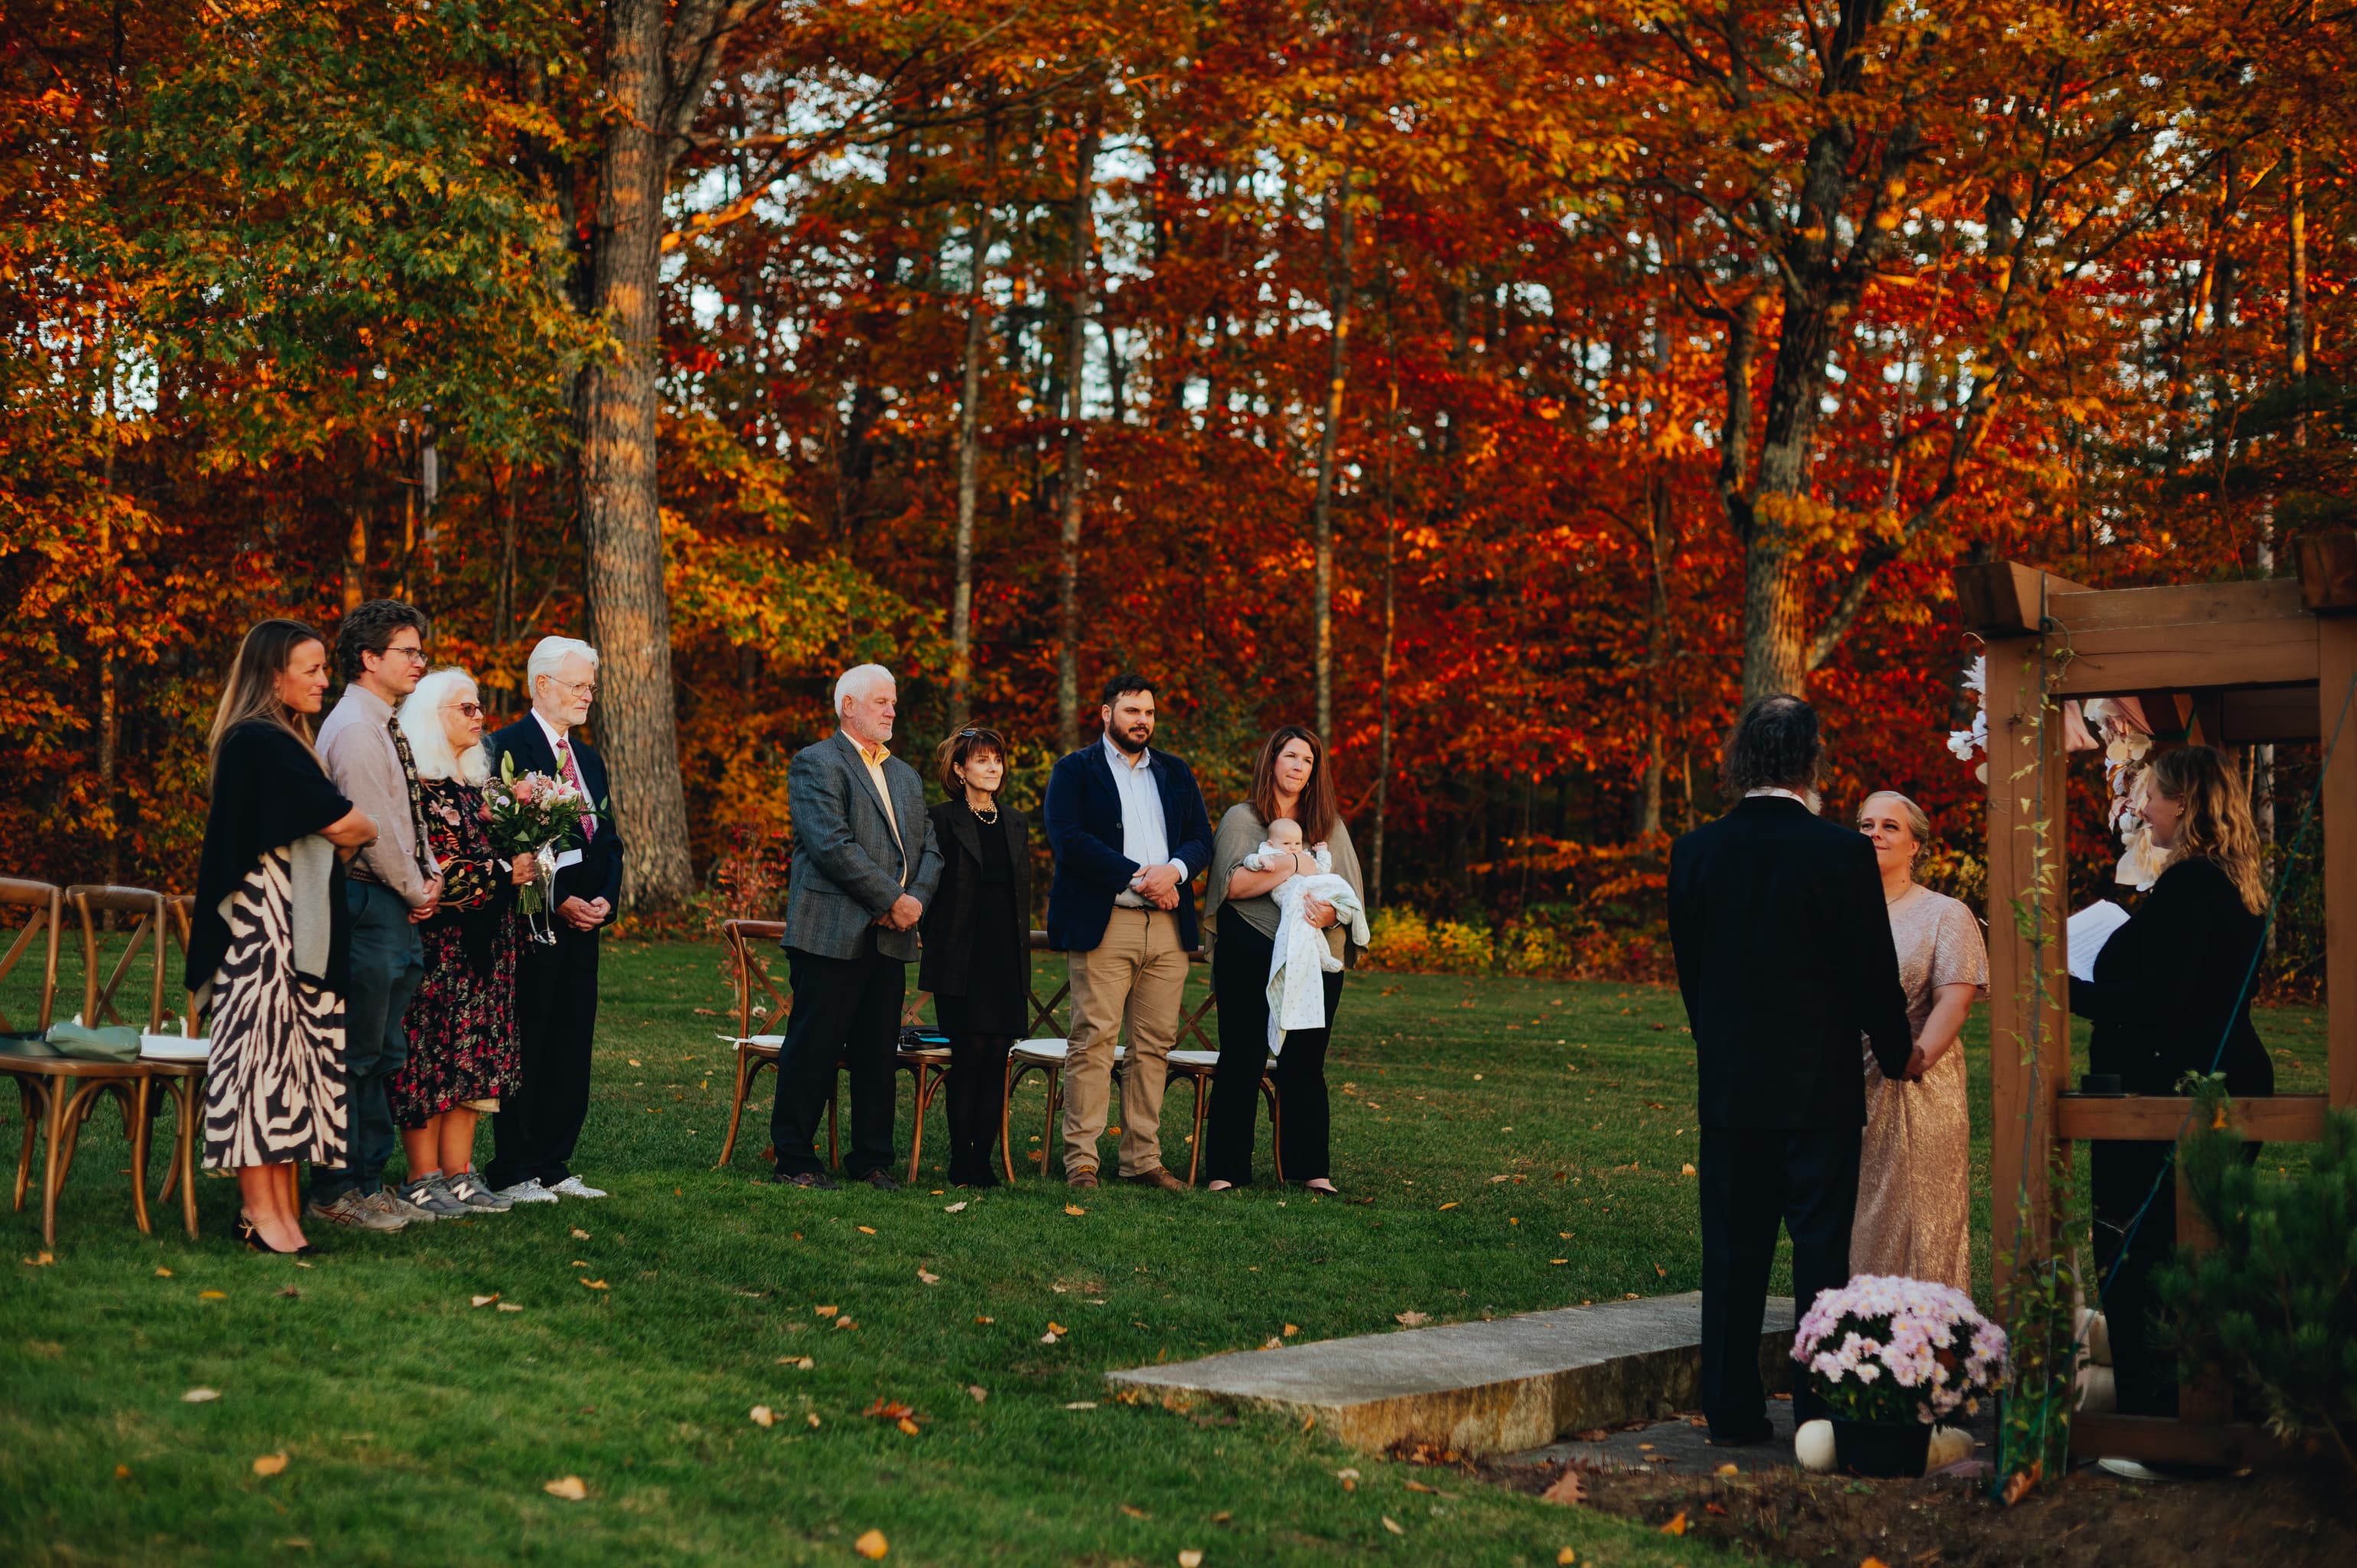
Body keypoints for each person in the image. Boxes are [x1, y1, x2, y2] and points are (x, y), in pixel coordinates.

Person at [1667, 695, 1919, 1445]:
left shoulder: (1696, 850)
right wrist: (1896, 1045)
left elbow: (1694, 972)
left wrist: (1718, 1043)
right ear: (1812, 761)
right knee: (1820, 1255)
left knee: (1733, 1253)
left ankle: (1732, 1410)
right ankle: (1819, 1412)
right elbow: (1871, 968)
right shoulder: (1841, 852)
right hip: (1818, 1090)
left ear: (1741, 758)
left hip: (1733, 1085)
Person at [2070, 745, 2272, 1477]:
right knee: (2194, 1254)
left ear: (2183, 802)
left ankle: (2166, 1436)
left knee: (2142, 1253)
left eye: (2149, 794)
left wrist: (2061, 986)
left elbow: (2163, 1003)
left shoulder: (2190, 885)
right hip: (2214, 1078)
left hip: (2173, 1092)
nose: (2139, 806)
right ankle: (2216, 1420)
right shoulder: (2228, 882)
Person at [185, 619, 378, 1253]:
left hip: (295, 924)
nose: (326, 679)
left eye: (326, 667)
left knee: (291, 1067)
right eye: (313, 668)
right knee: (260, 1068)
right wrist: (348, 824)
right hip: (266, 928)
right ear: (274, 676)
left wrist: (338, 826)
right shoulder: (258, 742)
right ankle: (258, 1212)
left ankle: (279, 1213)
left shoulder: (284, 743)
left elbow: (331, 824)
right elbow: (351, 825)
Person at [769, 664, 942, 1191]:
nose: (893, 710)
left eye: (893, 702)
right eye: (882, 701)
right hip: (830, 929)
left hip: (889, 936)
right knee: (814, 1047)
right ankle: (795, 1159)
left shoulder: (906, 776)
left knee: (877, 1053)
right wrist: (892, 899)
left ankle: (871, 1161)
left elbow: (930, 850)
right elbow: (831, 845)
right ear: (848, 706)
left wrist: (912, 903)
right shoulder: (816, 763)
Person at [1042, 673, 1214, 1191]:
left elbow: (1200, 838)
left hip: (1167, 929)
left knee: (1154, 1045)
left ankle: (1142, 1158)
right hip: (1107, 922)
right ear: (1105, 713)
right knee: (1093, 1039)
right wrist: (1143, 876)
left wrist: (1177, 873)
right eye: (1132, 711)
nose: (1142, 721)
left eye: (1149, 713)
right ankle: (1082, 1161)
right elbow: (1069, 840)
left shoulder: (1175, 772)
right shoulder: (1075, 770)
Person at [312, 599, 442, 1232]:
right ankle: (339, 1190)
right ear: (369, 658)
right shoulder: (357, 728)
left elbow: (402, 817)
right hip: (367, 902)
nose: (421, 661)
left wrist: (430, 873)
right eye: (408, 652)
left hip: (391, 899)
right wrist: (417, 888)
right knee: (357, 1052)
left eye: (421, 651)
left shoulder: (383, 723)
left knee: (382, 1050)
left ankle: (368, 1182)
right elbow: (370, 831)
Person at [387, 668, 535, 1216]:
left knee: (476, 1060)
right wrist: (503, 871)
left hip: (487, 948)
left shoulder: (476, 787)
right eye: (466, 709)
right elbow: (434, 870)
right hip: (437, 949)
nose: (480, 718)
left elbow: (492, 857)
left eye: (479, 709)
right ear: (432, 717)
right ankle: (421, 1175)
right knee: (430, 1060)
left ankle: (460, 1173)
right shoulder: (418, 788)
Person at [483, 635, 625, 1204]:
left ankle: (553, 1162)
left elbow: (608, 842)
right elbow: (501, 837)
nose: (589, 695)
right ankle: (514, 1166)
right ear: (543, 685)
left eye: (591, 685)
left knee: (572, 1042)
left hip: (583, 927)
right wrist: (558, 896)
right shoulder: (504, 748)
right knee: (530, 1040)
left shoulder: (588, 759)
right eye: (579, 685)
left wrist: (605, 900)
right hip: (530, 926)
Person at [1201, 727, 1365, 1192]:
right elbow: (1230, 887)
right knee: (1242, 1058)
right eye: (1290, 756)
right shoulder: (1242, 819)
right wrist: (1294, 865)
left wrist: (1329, 910)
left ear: (1315, 772)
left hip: (1313, 957)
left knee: (1305, 1063)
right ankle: (1226, 1172)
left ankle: (1310, 1170)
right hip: (1248, 950)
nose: (1298, 766)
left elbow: (1350, 898)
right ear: (1271, 761)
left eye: (1307, 760)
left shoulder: (1328, 826)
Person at [1850, 791, 1987, 1291]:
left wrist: (1918, 1057)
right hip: (1848, 1086)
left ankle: (1928, 1343)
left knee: (1918, 1218)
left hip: (1917, 1086)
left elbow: (1956, 997)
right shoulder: (1840, 908)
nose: (1875, 835)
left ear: (1915, 846)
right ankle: (1852, 1334)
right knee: (1855, 1218)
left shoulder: (1944, 914)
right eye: (1866, 825)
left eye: (1890, 827)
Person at [920, 726, 1032, 1187]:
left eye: (997, 760)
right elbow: (926, 884)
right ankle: (960, 1161)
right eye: (982, 760)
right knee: (968, 1057)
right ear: (960, 769)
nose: (993, 768)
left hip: (1006, 955)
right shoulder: (940, 820)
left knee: (996, 1059)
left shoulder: (1015, 822)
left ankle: (982, 1160)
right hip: (959, 955)